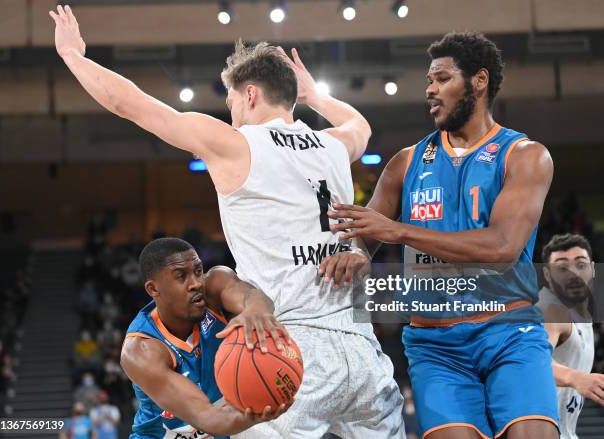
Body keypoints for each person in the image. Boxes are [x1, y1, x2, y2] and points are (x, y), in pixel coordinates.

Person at [50, 5, 404, 438]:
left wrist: (73, 57)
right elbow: (360, 126)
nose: (231, 110)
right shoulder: (332, 146)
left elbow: (132, 105)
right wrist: (315, 98)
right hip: (365, 351)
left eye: (231, 100)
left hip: (292, 347)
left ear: (250, 94)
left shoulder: (237, 144)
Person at [324, 31, 559, 439]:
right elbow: (364, 235)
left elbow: (502, 247)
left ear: (479, 81)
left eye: (442, 79)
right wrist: (356, 253)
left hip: (509, 332)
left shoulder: (525, 155)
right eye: (429, 81)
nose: (430, 90)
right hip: (435, 344)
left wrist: (397, 231)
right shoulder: (406, 163)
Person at [119, 238, 290, 438]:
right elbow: (210, 419)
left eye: (198, 271)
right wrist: (261, 406)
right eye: (181, 276)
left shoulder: (214, 285)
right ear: (153, 289)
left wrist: (255, 311)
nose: (196, 283)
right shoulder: (141, 351)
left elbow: (252, 297)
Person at [538, 234, 603, 439]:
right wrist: (575, 378)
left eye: (580, 265)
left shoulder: (584, 316)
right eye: (562, 268)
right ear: (547, 274)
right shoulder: (550, 311)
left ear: (592, 269)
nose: (573, 273)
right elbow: (532, 361)